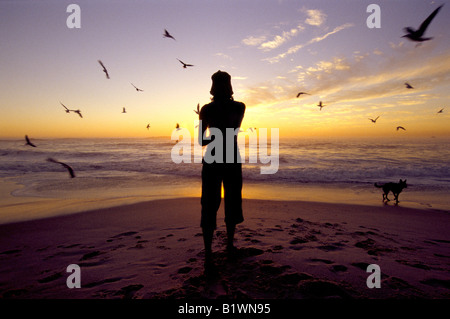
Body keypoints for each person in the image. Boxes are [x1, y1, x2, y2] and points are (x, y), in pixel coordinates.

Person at [198, 70, 245, 271]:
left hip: (212, 158)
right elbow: (233, 131)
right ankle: (229, 247)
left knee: (209, 204)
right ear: (230, 85)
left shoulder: (206, 110)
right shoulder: (240, 107)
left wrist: (215, 137)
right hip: (232, 158)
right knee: (232, 201)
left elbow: (202, 140)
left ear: (212, 86)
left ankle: (208, 254)